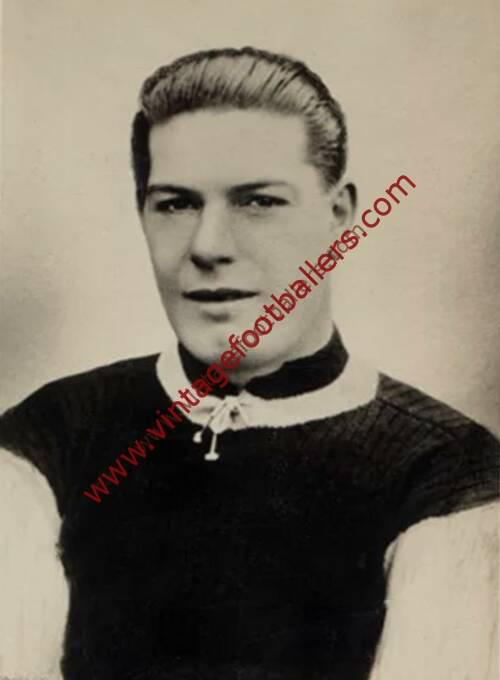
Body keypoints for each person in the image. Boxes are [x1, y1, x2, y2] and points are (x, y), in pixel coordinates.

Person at [0, 47, 498, 680]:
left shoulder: (449, 475)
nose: (209, 246)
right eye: (176, 204)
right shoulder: (48, 440)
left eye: (258, 202)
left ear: (339, 217)